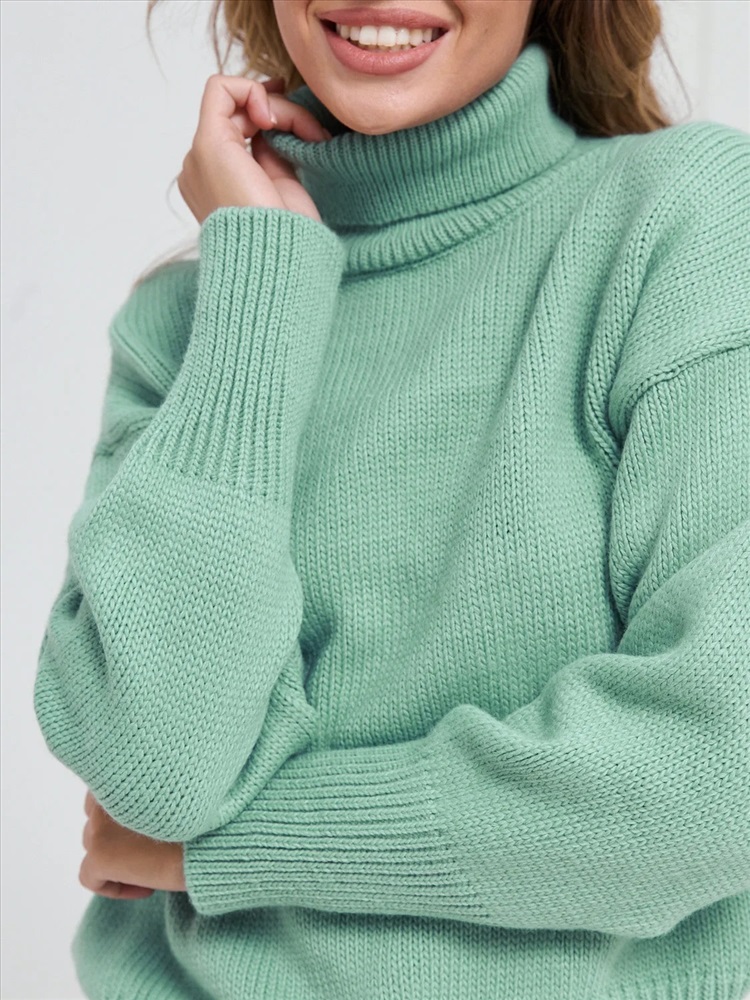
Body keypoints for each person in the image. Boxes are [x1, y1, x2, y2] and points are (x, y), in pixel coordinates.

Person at [33, 0, 750, 997]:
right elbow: (156, 770)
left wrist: (226, 850)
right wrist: (261, 286)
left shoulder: (683, 220)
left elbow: (711, 782)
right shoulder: (189, 324)